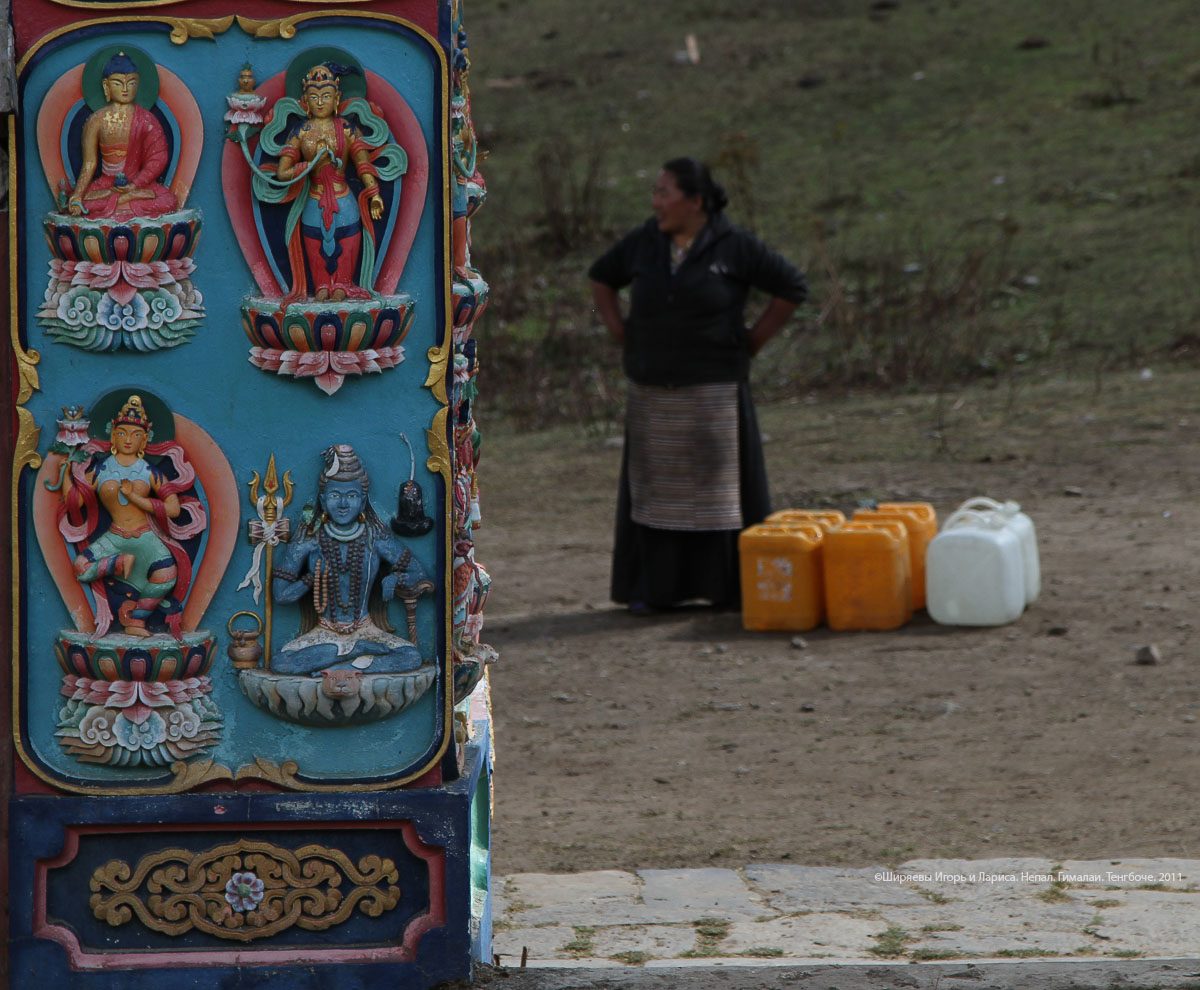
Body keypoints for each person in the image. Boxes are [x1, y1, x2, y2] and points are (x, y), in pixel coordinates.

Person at [589, 157, 807, 612]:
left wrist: (753, 341)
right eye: (655, 193)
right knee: (654, 495)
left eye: (665, 193)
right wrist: (621, 332)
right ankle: (654, 591)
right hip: (653, 390)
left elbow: (791, 287)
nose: (656, 203)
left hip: (715, 392)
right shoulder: (644, 242)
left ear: (696, 201)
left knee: (719, 496)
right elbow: (603, 277)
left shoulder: (734, 246)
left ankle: (726, 590)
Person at [269, 445, 433, 676]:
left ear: (363, 500)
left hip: (366, 629)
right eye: (336, 496)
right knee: (281, 663)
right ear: (323, 500)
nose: (344, 504)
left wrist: (395, 578)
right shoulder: (309, 539)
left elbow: (419, 575)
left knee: (411, 657)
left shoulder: (375, 537)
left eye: (352, 496)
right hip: (324, 634)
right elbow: (281, 595)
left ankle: (341, 666)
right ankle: (352, 655)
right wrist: (310, 578)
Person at [57, 395, 201, 638]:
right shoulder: (101, 469)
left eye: (136, 435)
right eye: (122, 432)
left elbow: (173, 508)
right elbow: (75, 502)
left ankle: (136, 620)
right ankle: (118, 563)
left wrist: (136, 498)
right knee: (80, 567)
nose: (128, 439)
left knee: (167, 575)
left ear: (145, 440)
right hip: (115, 537)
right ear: (113, 435)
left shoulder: (149, 471)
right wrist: (66, 468)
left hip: (145, 535)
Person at [271, 63, 387, 303]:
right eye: (314, 97)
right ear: (305, 101)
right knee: (314, 246)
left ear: (337, 98)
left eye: (326, 96)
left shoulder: (346, 129)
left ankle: (343, 284)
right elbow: (283, 172)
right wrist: (311, 163)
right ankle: (322, 284)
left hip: (344, 198)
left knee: (347, 240)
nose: (320, 102)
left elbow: (363, 164)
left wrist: (374, 193)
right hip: (314, 199)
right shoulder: (301, 131)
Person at [67, 52, 178, 220]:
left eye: (131, 83)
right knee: (83, 203)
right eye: (118, 83)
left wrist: (134, 185)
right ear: (106, 86)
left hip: (137, 184)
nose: (126, 89)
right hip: (106, 184)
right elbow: (90, 163)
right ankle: (123, 201)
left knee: (169, 201)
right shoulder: (97, 120)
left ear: (138, 84)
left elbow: (158, 158)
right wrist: (77, 195)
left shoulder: (147, 119)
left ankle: (121, 200)